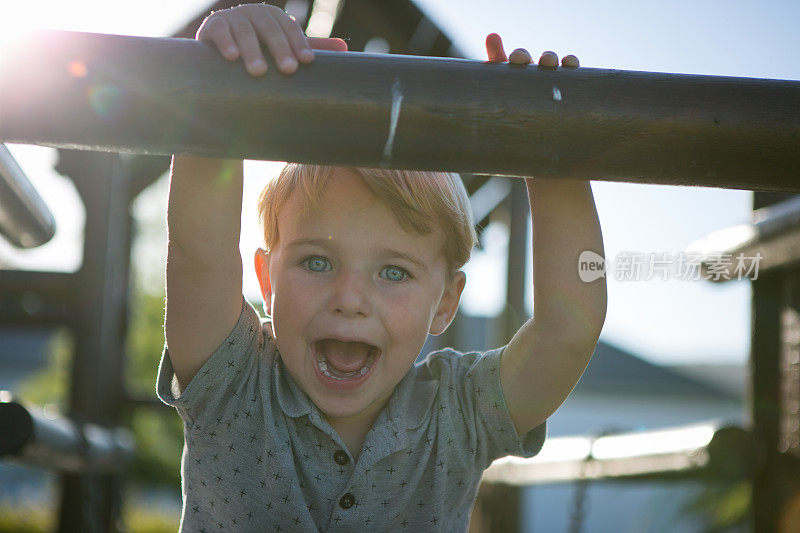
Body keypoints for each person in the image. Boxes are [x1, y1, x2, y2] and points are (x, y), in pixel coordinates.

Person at [157, 4, 606, 531]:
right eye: (316, 261)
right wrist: (223, 80)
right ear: (265, 279)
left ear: (445, 303)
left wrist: (553, 157)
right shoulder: (233, 382)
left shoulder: (456, 414)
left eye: (394, 272)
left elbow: (568, 327)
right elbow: (197, 253)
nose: (349, 297)